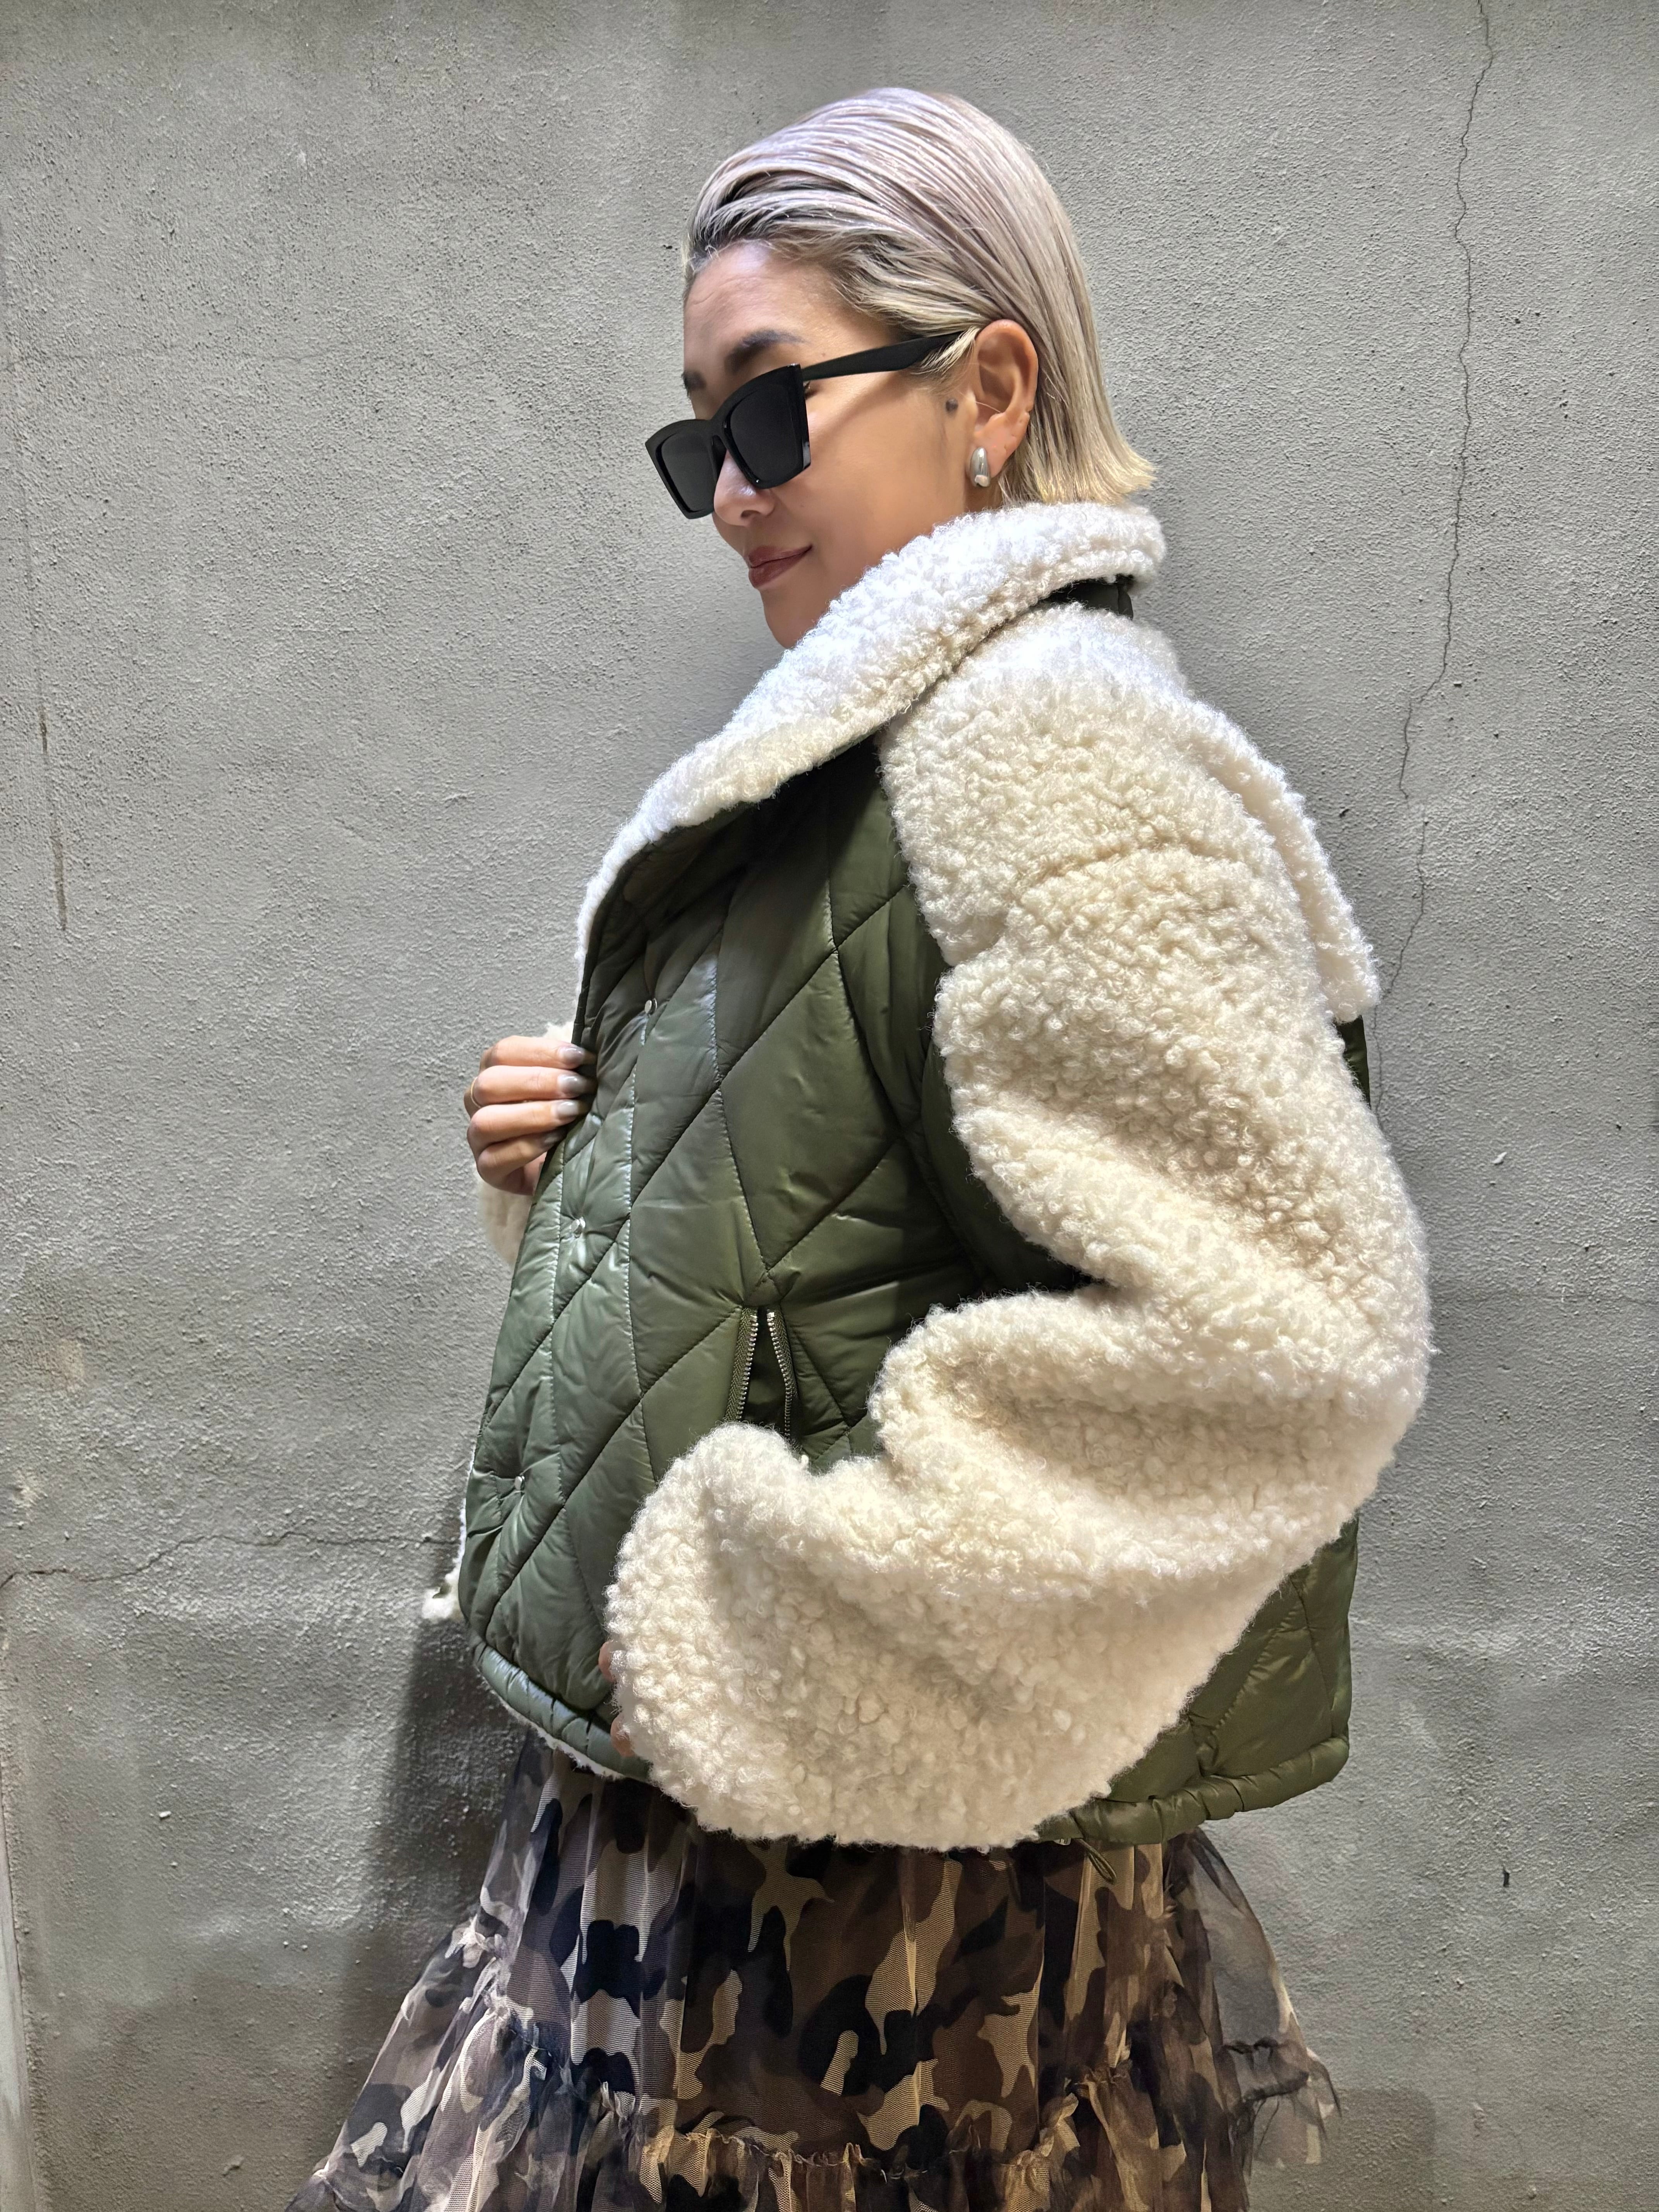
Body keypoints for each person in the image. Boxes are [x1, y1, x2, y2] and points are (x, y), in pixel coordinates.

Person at [288, 86, 1429, 2212]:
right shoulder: (874, 748)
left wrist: (781, 1618)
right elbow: (837, 1224)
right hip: (770, 1842)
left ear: (988, 389)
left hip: (888, 1922)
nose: (730, 494)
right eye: (697, 440)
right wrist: (586, 1172)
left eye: (769, 409)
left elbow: (1275, 1346)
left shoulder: (1050, 746)